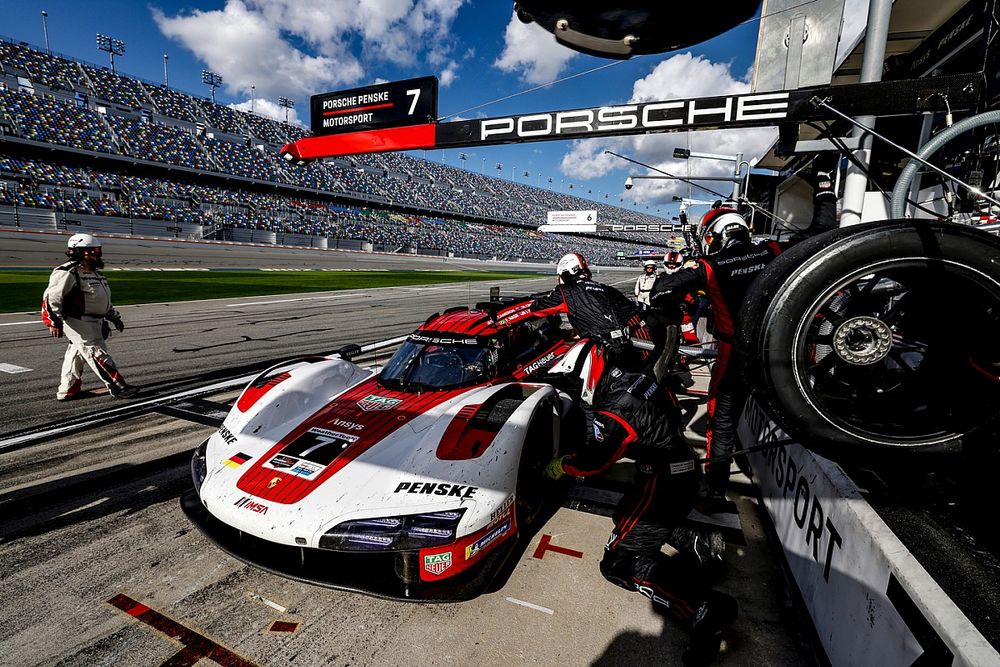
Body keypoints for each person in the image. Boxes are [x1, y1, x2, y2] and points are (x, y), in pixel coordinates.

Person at [650, 159, 839, 505]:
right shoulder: (773, 250)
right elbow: (822, 230)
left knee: (721, 425)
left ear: (714, 236)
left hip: (734, 357)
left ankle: (714, 491)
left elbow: (661, 289)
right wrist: (824, 189)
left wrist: (686, 278)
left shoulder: (710, 266)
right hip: (781, 356)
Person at [544, 365, 738, 666]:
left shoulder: (616, 404)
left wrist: (563, 465)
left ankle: (701, 608)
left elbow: (596, 461)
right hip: (681, 472)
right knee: (625, 515)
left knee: (619, 562)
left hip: (661, 482)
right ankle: (698, 544)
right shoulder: (639, 375)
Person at [42, 233, 138, 400]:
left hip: (95, 321)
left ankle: (67, 389)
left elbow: (103, 301)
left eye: (97, 251)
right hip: (78, 320)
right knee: (95, 352)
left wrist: (114, 317)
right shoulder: (67, 272)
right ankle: (118, 386)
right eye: (92, 251)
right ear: (79, 252)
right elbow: (51, 298)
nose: (97, 254)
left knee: (76, 353)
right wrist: (52, 321)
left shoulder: (96, 274)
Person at [531, 253, 648, 369]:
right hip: (624, 347)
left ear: (567, 272)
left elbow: (536, 309)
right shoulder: (606, 289)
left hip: (598, 352)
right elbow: (632, 313)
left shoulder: (566, 291)